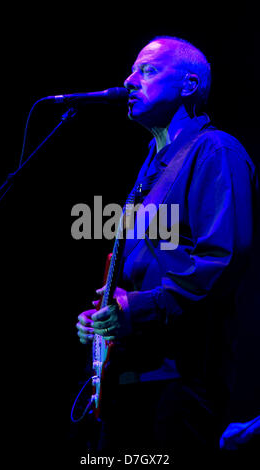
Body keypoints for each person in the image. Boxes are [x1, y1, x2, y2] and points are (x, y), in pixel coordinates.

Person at [76, 36, 258, 463]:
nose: (129, 79)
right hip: (132, 383)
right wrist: (106, 315)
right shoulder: (150, 170)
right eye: (133, 70)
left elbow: (223, 260)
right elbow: (142, 273)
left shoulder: (215, 150)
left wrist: (138, 309)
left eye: (148, 70)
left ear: (189, 84)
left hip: (177, 384)